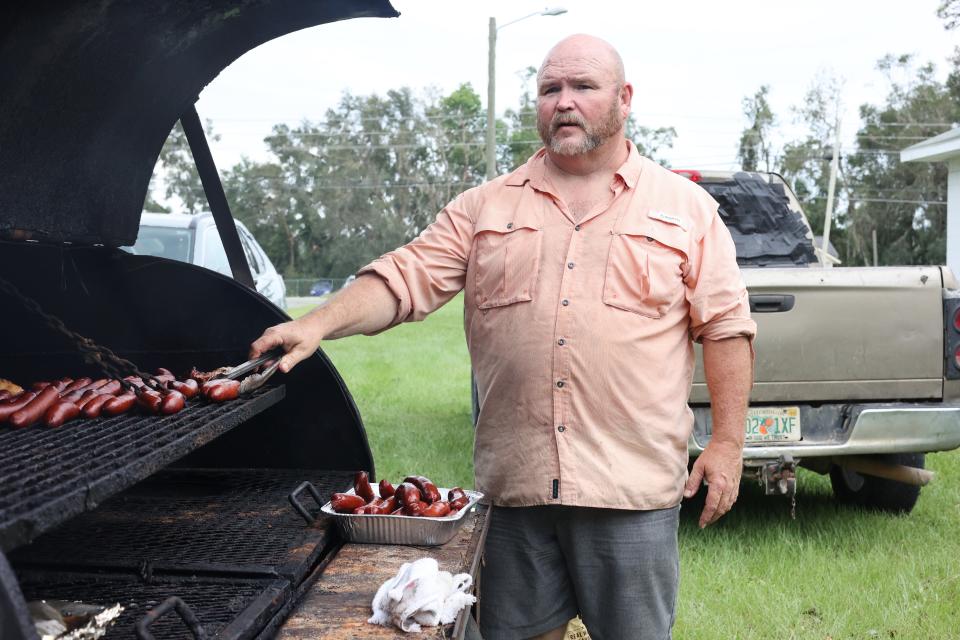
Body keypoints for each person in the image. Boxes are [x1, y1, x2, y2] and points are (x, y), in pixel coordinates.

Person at [250, 34, 755, 640]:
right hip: (517, 493)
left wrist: (726, 443)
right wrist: (316, 323)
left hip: (632, 495)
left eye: (583, 87)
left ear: (624, 99)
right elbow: (405, 278)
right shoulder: (485, 207)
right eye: (550, 89)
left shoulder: (686, 209)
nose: (563, 102)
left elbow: (726, 328)